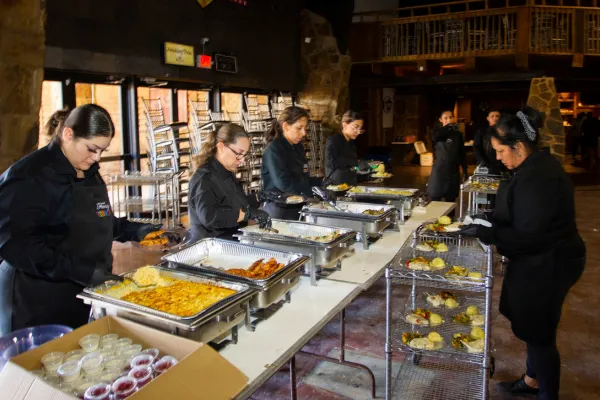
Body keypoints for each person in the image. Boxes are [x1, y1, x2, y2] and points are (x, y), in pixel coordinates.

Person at [0, 105, 161, 335]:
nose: (96, 158)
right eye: (91, 149)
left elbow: (98, 219)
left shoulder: (88, 170)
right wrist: (82, 272)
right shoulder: (29, 176)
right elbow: (17, 246)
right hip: (39, 299)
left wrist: (138, 231)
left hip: (84, 291)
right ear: (68, 134)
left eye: (102, 151)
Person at [460, 107, 586, 400]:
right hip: (542, 256)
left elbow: (528, 235)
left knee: (540, 332)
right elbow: (521, 213)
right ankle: (532, 381)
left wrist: (486, 231)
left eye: (501, 151)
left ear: (518, 146)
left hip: (551, 261)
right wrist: (489, 216)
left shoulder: (539, 177)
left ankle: (546, 393)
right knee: (533, 325)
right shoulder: (532, 166)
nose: (499, 157)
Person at [188, 123, 271, 241]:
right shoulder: (204, 178)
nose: (242, 161)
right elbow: (209, 218)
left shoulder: (226, 172)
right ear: (221, 147)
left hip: (229, 239)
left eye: (244, 155)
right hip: (210, 245)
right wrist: (246, 215)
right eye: (238, 154)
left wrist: (259, 197)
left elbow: (235, 204)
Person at [261, 106, 324, 220]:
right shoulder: (274, 149)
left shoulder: (298, 147)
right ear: (285, 126)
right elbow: (284, 184)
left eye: (305, 128)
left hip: (298, 206)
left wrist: (322, 183)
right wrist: (313, 192)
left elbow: (302, 177)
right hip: (279, 209)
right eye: (299, 128)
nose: (304, 133)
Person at [427, 110, 468, 202]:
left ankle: (450, 216)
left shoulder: (458, 134)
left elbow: (461, 153)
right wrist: (447, 127)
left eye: (450, 117)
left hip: (453, 171)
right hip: (439, 170)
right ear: (440, 120)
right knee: (434, 198)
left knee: (450, 200)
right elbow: (435, 138)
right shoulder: (437, 132)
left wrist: (465, 171)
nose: (449, 120)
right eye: (446, 118)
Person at [325, 110, 370, 185]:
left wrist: (363, 172)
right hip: (337, 185)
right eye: (356, 127)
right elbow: (332, 162)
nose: (358, 132)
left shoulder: (351, 143)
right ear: (345, 125)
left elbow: (352, 167)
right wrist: (356, 162)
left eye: (360, 129)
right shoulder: (334, 140)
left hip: (350, 183)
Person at [473, 109, 504, 175]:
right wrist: (482, 161)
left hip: (502, 165)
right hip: (485, 164)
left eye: (497, 116)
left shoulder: (505, 131)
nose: (495, 118)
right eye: (492, 116)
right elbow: (476, 148)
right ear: (488, 118)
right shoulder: (481, 131)